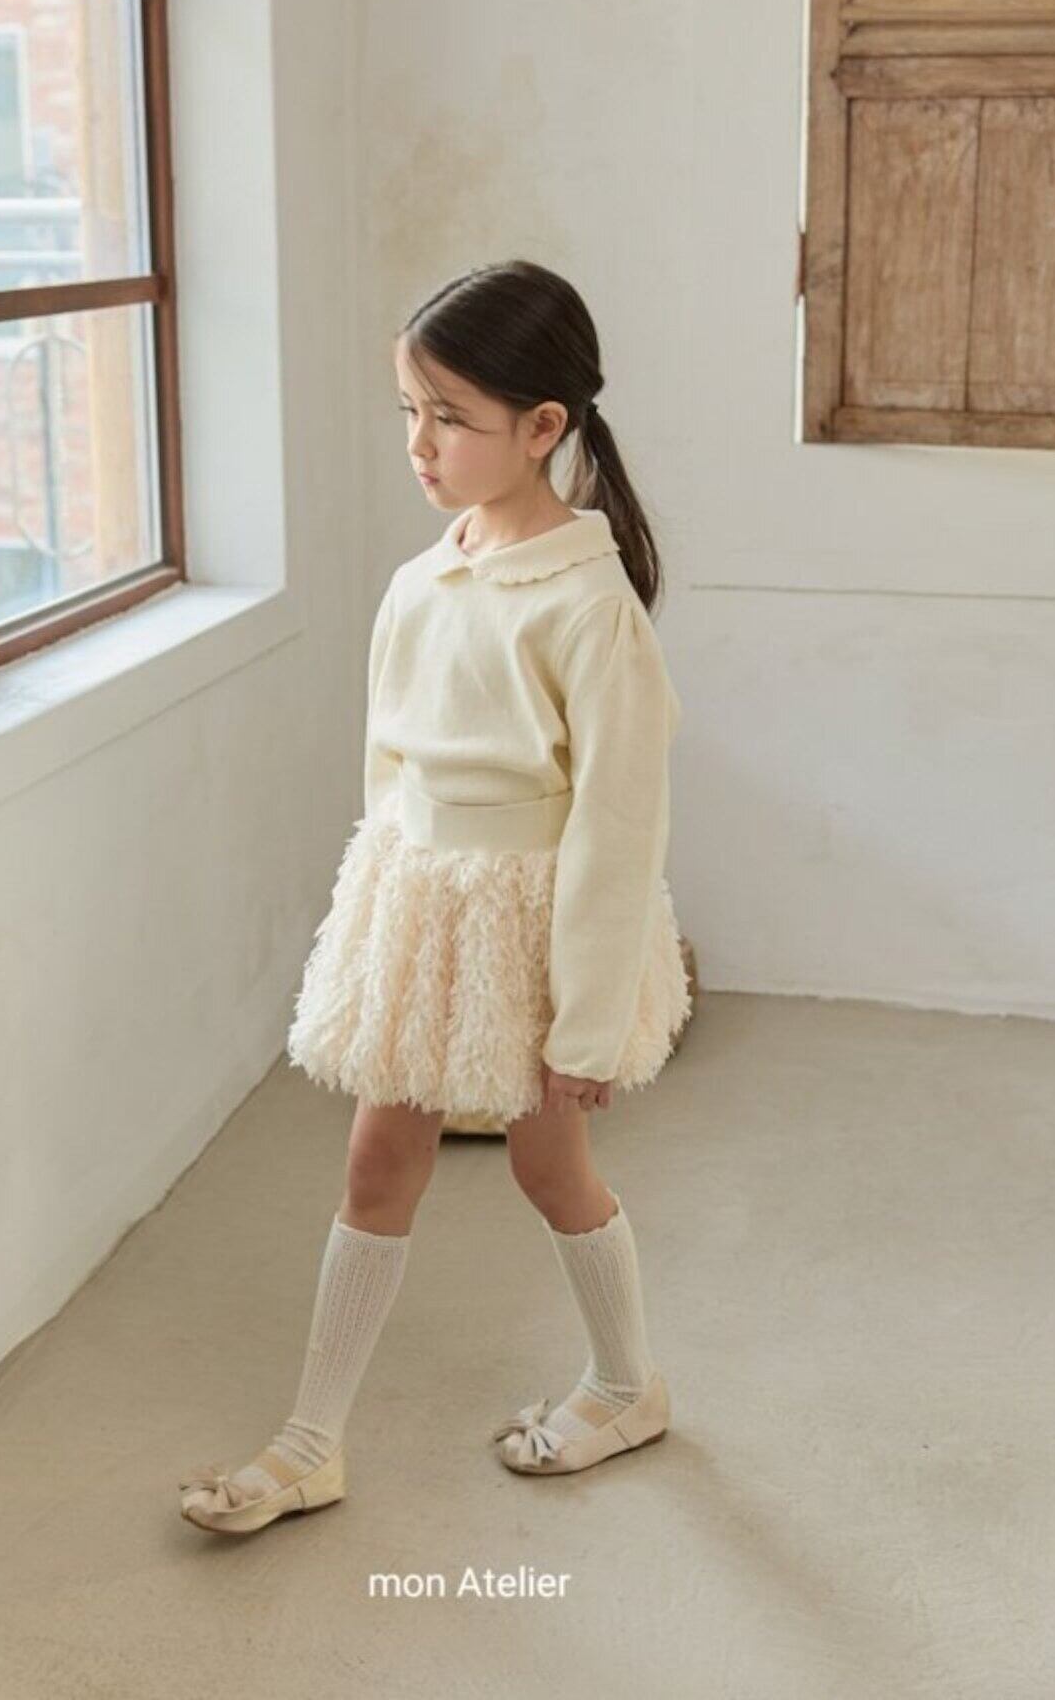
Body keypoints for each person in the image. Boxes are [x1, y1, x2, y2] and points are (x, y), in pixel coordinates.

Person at [179, 258, 692, 1535]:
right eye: (408, 411)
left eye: (450, 418)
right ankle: (311, 1441)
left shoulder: (588, 608)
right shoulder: (423, 579)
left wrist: (584, 1024)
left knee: (546, 1164)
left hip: (532, 929)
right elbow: (389, 772)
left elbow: (617, 828)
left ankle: (624, 1385)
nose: (418, 443)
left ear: (541, 426)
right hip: (421, 916)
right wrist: (381, 920)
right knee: (376, 1161)